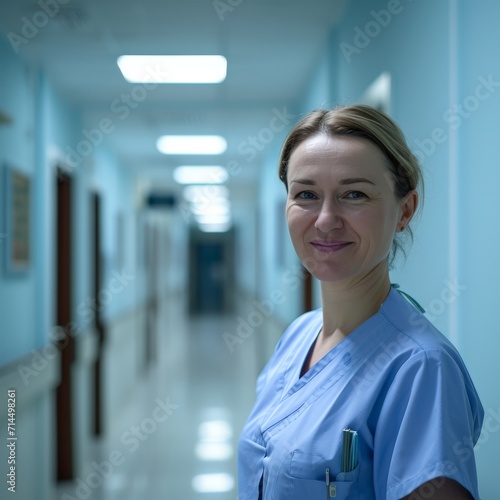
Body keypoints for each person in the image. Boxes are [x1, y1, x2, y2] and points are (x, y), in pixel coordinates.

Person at [238, 105, 484, 499]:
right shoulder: (298, 335)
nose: (325, 220)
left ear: (405, 210)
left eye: (354, 194)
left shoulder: (421, 368)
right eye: (306, 194)